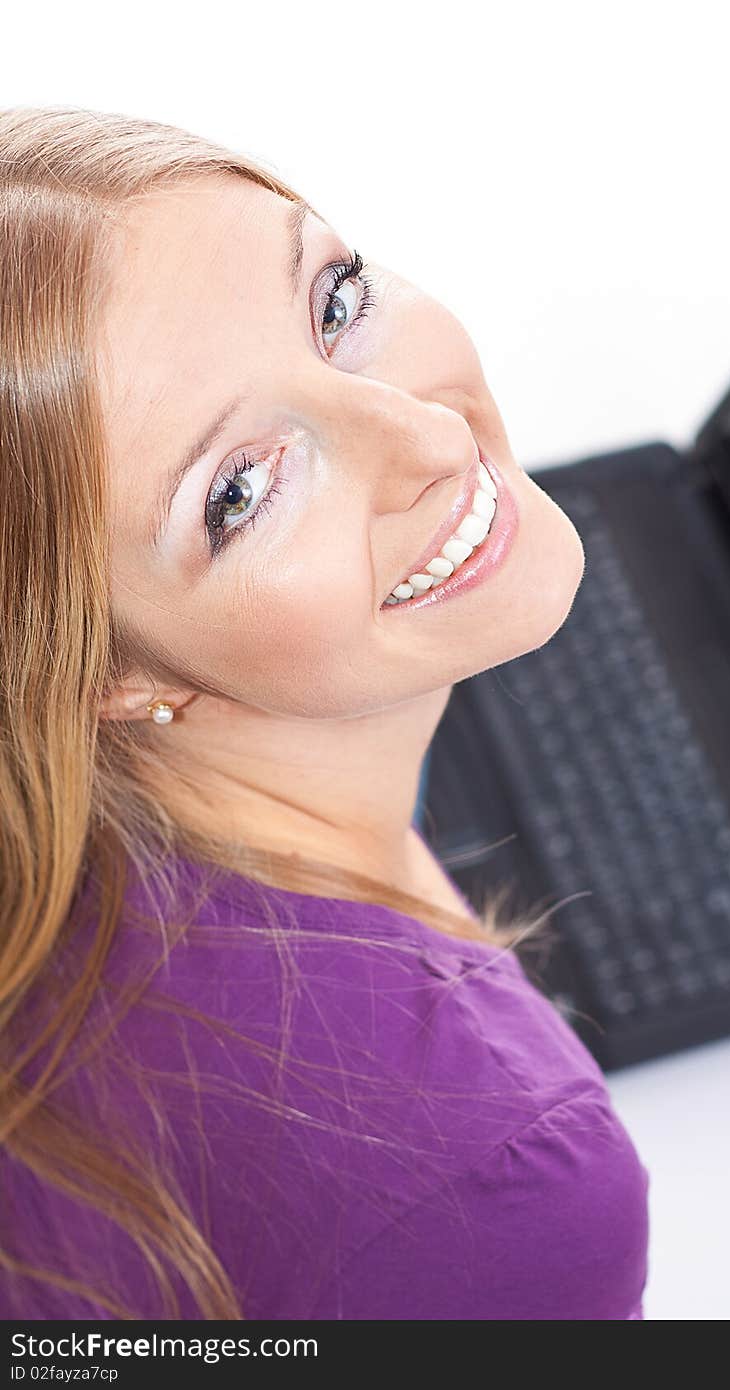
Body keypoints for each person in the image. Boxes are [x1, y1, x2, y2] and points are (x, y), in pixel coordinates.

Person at [0, 105, 650, 1320]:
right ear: (105, 674)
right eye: (239, 490)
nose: (424, 433)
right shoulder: (492, 1187)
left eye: (335, 303)